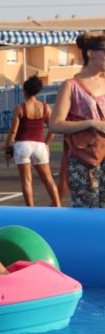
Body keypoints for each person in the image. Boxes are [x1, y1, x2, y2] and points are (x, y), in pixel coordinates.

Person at [50, 31, 105, 208]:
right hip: (84, 158)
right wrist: (91, 123)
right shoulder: (71, 86)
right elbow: (55, 124)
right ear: (91, 53)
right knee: (86, 209)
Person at [4, 75, 61, 207]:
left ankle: (31, 209)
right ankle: (58, 206)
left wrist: (6, 146)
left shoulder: (20, 108)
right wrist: (46, 143)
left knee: (26, 181)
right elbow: (52, 128)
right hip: (39, 145)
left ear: (24, 91)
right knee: (48, 179)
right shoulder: (46, 108)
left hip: (22, 145)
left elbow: (13, 131)